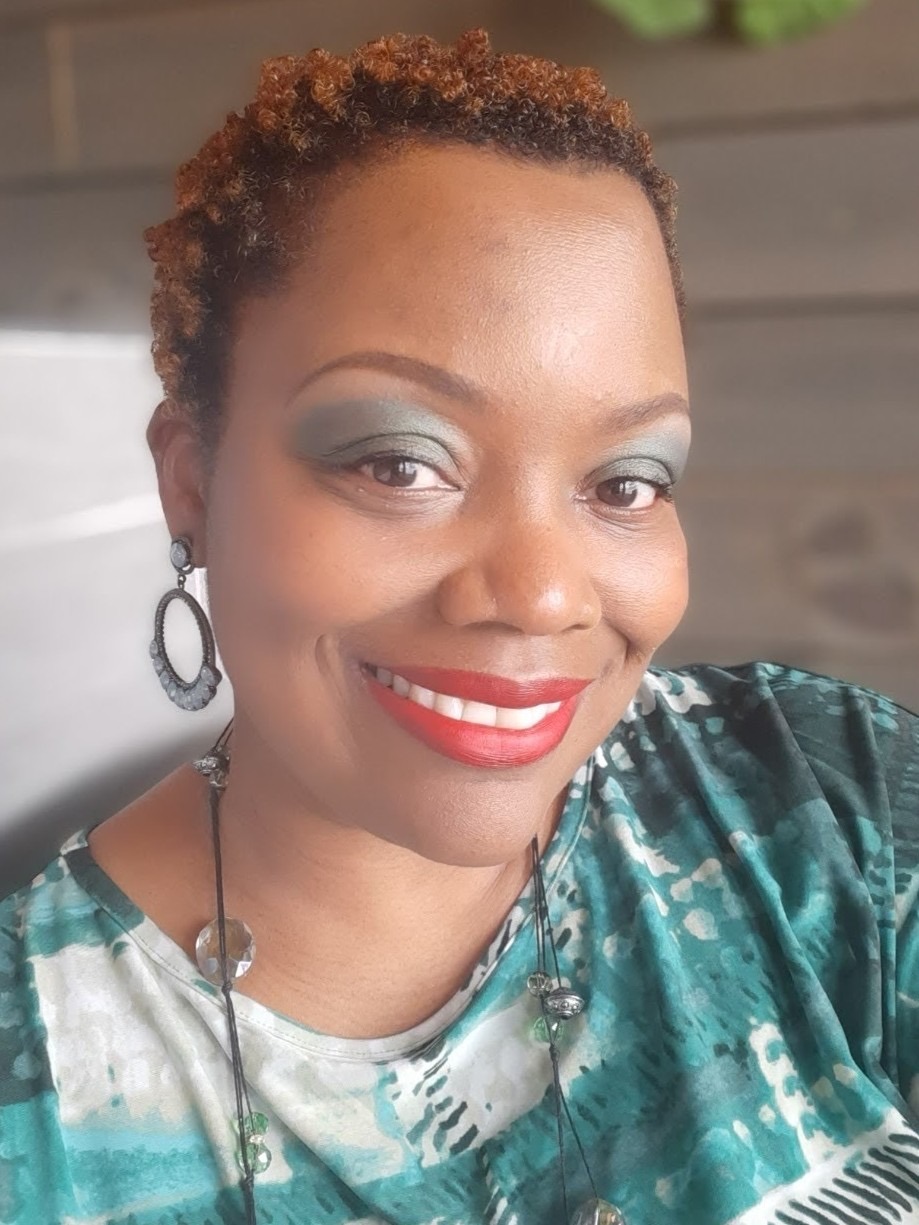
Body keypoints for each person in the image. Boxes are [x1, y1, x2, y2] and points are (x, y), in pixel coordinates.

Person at [0, 27, 916, 1225]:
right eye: (398, 462)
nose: (542, 595)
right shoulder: (35, 1087)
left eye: (624, 481)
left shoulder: (824, 805)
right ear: (191, 481)